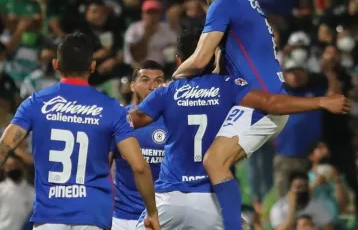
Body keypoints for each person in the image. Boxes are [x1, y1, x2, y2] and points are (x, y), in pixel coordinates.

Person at [130, 30, 349, 229]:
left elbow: (133, 120)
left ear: (179, 60)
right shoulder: (229, 86)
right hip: (213, 200)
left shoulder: (165, 93)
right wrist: (321, 102)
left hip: (168, 199)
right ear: (214, 55)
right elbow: (274, 104)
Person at [0, 33, 160, 230]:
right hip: (93, 215)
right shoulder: (112, 108)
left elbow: (0, 151)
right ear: (93, 66)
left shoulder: (35, 103)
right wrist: (152, 212)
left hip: (49, 216)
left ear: (56, 65)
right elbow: (139, 167)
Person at [172, 0, 288, 228]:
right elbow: (222, 62)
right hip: (264, 101)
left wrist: (173, 81)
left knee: (213, 161)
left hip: (261, 104)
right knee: (211, 160)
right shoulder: (246, 1)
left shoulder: (224, 4)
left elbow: (200, 59)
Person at [109, 60, 167, 230]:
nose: (152, 86)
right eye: (145, 80)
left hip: (161, 215)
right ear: (132, 86)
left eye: (158, 81)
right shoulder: (119, 120)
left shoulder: (173, 121)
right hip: (122, 217)